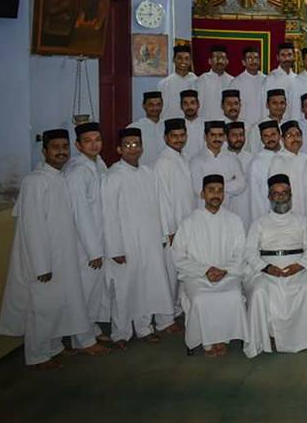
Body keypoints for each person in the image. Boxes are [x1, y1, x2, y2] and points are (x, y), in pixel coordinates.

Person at [0, 129, 110, 369]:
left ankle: (54, 347)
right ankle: (37, 355)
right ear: (44, 151)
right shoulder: (35, 181)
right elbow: (33, 226)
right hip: (44, 259)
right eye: (55, 147)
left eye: (64, 147)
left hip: (64, 254)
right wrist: (42, 265)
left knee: (60, 302)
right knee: (42, 307)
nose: (61, 151)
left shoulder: (60, 176)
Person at [101, 128, 176, 347]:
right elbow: (108, 214)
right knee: (125, 289)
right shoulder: (112, 176)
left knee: (148, 286)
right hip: (125, 244)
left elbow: (160, 204)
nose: (133, 149)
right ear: (119, 149)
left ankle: (144, 328)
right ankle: (120, 333)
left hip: (150, 240)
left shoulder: (148, 173)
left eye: (136, 144)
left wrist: (163, 233)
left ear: (142, 147)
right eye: (128, 145)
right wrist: (114, 248)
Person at [244, 174, 307, 356]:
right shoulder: (259, 223)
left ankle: (303, 339)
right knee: (260, 292)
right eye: (276, 194)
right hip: (266, 269)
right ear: (269, 197)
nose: (280, 197)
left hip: (297, 268)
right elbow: (249, 251)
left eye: (284, 193)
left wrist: (299, 265)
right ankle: (267, 336)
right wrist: (267, 268)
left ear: (290, 195)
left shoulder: (302, 221)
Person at [172, 174, 249, 357]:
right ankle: (207, 341)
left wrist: (224, 270)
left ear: (224, 194)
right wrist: (205, 270)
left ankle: (223, 338)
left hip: (227, 274)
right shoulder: (189, 222)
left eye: (220, 191)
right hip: (197, 276)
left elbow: (241, 252)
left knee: (233, 296)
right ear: (202, 194)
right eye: (211, 190)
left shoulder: (234, 220)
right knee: (201, 299)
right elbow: (178, 256)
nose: (216, 194)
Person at [64, 122, 111, 344]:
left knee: (95, 290)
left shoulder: (99, 164)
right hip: (85, 245)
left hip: (101, 239)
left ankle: (91, 328)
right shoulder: (76, 172)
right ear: (78, 145)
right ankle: (81, 340)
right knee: (83, 291)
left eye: (97, 140)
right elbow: (80, 214)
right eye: (88, 141)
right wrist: (93, 251)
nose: (94, 145)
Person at [153, 118, 196, 323]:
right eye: (174, 136)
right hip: (172, 229)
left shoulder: (183, 157)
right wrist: (168, 230)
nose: (179, 139)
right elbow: (162, 199)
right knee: (169, 274)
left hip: (186, 225)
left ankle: (177, 310)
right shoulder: (163, 162)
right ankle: (164, 319)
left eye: (182, 135)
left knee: (183, 271)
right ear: (165, 137)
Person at [189, 121, 247, 227]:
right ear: (205, 137)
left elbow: (242, 184)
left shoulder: (232, 158)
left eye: (220, 135)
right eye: (213, 135)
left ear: (224, 137)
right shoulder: (196, 161)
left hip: (227, 214)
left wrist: (213, 188)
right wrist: (229, 183)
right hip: (203, 216)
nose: (217, 138)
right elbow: (199, 191)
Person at [266, 121, 307, 218]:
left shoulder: (306, 158)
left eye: (298, 135)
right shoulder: (278, 161)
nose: (295, 138)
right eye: (290, 135)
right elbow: (276, 192)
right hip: (288, 214)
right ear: (282, 139)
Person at [248, 120, 281, 223]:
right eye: (266, 136)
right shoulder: (256, 163)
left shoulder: (288, 156)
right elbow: (255, 199)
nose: (270, 138)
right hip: (268, 218)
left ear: (279, 135)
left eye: (273, 134)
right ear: (261, 139)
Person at [229, 46, 268, 126]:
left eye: (256, 58)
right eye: (249, 58)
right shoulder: (235, 83)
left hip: (264, 126)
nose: (253, 61)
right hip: (243, 126)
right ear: (243, 62)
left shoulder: (266, 80)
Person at [159, 44, 197, 120]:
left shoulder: (197, 81)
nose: (183, 61)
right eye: (180, 58)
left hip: (192, 124)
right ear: (174, 59)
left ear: (190, 61)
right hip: (170, 123)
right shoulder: (164, 83)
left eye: (186, 58)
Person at [226, 121, 253, 226]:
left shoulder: (251, 159)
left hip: (248, 212)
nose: (238, 138)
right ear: (226, 137)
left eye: (241, 135)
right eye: (234, 135)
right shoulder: (221, 158)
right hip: (227, 211)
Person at [197, 44, 234, 120]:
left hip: (226, 125)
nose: (220, 61)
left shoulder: (232, 81)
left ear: (227, 61)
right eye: (216, 57)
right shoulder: (202, 80)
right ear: (210, 61)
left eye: (223, 58)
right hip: (206, 124)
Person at [129, 91, 165, 164]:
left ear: (162, 106)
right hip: (142, 172)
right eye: (151, 105)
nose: (155, 108)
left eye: (158, 104)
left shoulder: (167, 126)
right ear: (144, 106)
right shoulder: (133, 128)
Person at [266, 42, 297, 119]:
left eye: (289, 55)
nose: (286, 58)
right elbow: (265, 106)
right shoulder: (270, 79)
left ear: (294, 57)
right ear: (277, 57)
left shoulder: (297, 79)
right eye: (283, 55)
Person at [179, 89, 205, 159]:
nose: (189, 106)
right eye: (185, 103)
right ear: (181, 106)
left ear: (198, 104)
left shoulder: (206, 125)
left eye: (192, 103)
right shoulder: (177, 126)